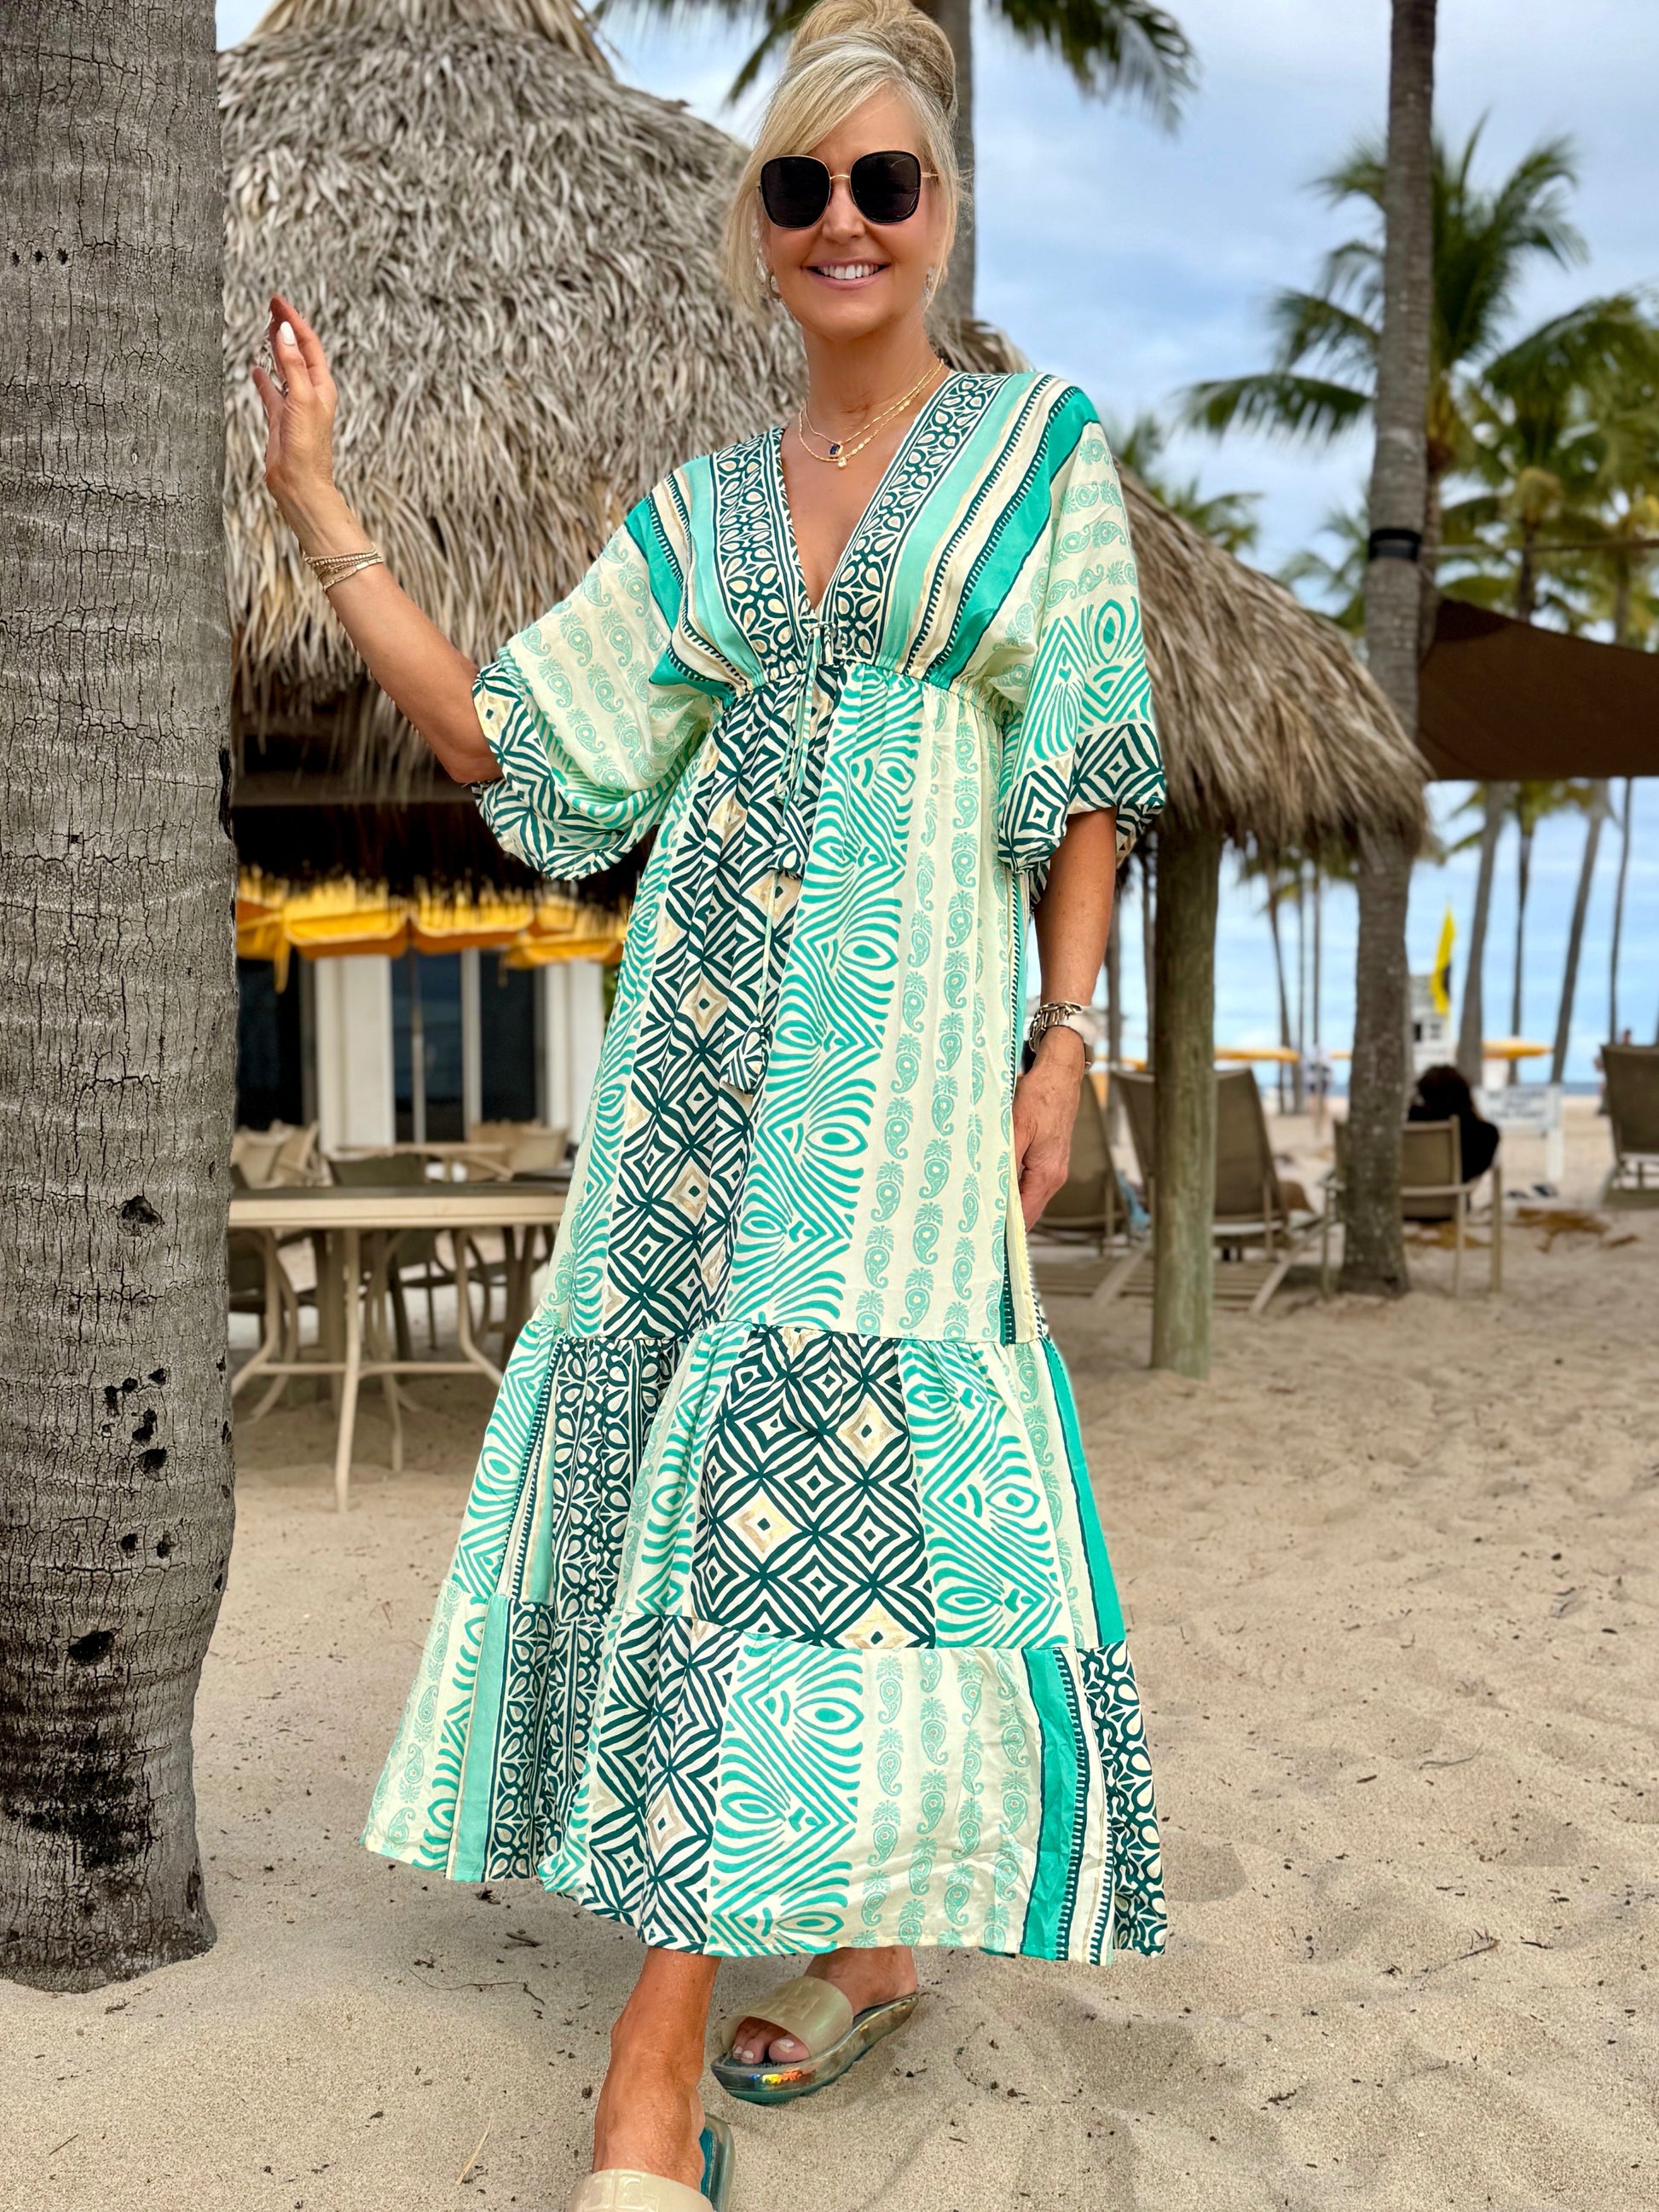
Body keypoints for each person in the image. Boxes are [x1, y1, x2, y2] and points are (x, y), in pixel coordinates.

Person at [253, 4, 1167, 2205]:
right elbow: (518, 756)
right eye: (801, 187)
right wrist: (323, 511)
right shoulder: (697, 516)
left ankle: (645, 2070)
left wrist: (1064, 1040)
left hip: (908, 1064)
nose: (845, 220)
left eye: (885, 183)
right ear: (757, 227)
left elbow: (1090, 767)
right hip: (693, 1063)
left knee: (796, 1491)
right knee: (765, 1495)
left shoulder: (1037, 452)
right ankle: (871, 1938)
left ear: (941, 212)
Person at [1409, 1062, 1500, 1183]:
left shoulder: (1410, 1127)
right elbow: (1473, 1171)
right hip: (1454, 1192)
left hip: (1410, 1190)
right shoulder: (1485, 1134)